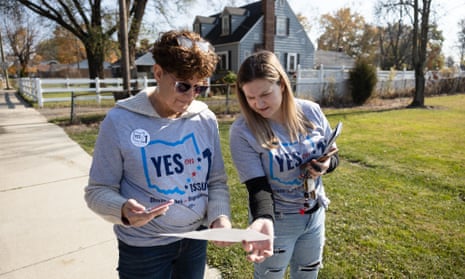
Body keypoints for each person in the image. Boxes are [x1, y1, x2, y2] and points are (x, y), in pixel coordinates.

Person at [84, 30, 232, 279]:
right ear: (158, 73)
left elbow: (216, 181)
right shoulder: (120, 121)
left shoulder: (205, 119)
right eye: (183, 86)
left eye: (199, 88)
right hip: (144, 248)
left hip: (195, 240)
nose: (190, 96)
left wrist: (220, 216)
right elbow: (97, 190)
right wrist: (122, 209)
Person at [229, 50, 340, 278]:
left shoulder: (311, 111)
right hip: (277, 222)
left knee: (308, 273)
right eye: (250, 97)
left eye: (265, 94)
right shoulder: (242, 131)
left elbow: (334, 156)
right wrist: (263, 220)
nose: (258, 104)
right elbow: (257, 186)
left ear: (281, 84)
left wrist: (327, 164)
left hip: (314, 216)